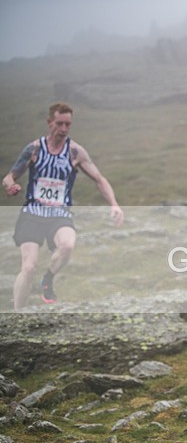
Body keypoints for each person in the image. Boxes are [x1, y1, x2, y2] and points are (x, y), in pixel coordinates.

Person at [2, 102, 124, 310]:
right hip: (32, 213)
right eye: (59, 124)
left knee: (67, 245)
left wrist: (114, 204)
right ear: (50, 123)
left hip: (59, 214)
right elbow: (9, 177)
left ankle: (48, 279)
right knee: (29, 267)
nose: (64, 129)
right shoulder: (35, 149)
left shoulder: (75, 152)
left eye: (68, 124)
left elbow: (99, 179)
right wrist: (11, 186)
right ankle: (18, 315)